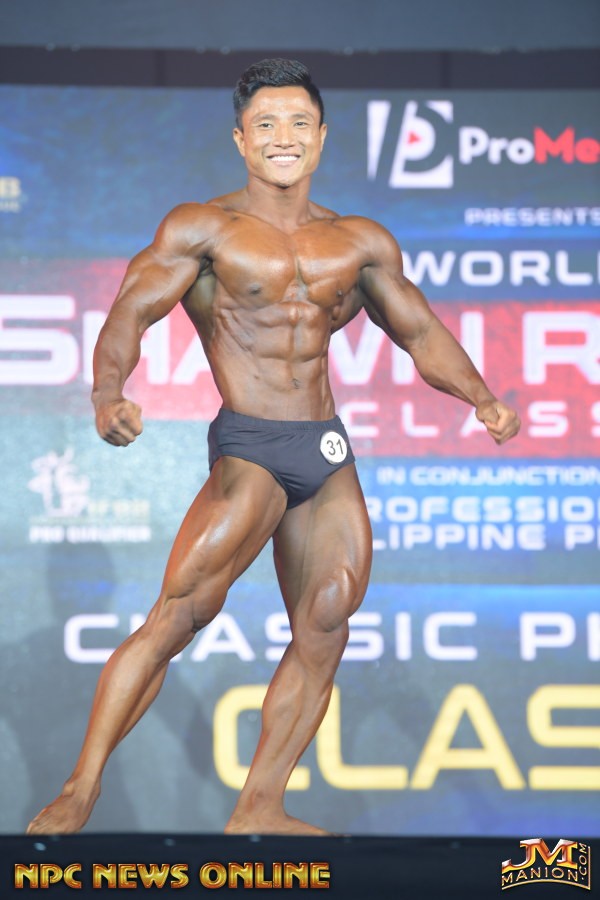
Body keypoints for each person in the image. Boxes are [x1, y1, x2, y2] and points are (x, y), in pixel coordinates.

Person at [27, 58, 520, 837]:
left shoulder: (358, 242)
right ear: (241, 140)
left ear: (320, 137)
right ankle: (80, 787)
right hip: (251, 444)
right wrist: (106, 392)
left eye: (297, 123)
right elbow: (129, 311)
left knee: (327, 619)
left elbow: (420, 331)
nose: (282, 137)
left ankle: (260, 803)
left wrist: (482, 398)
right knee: (180, 615)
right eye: (265, 124)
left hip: (324, 448)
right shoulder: (203, 229)